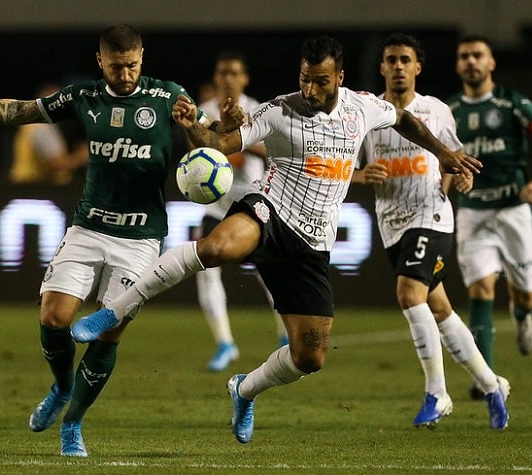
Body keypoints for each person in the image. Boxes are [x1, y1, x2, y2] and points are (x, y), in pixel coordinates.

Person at [71, 35, 482, 444]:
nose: (310, 89)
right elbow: (220, 143)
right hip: (269, 212)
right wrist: (196, 126)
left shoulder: (363, 107)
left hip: (313, 246)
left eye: (321, 81)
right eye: (305, 79)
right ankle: (116, 310)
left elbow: (402, 118)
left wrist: (444, 153)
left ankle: (245, 389)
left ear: (339, 77)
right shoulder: (280, 110)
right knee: (215, 248)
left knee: (310, 357)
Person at [0, 24, 240, 457]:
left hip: (141, 237)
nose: (124, 75)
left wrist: (196, 128)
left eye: (131, 66)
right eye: (115, 66)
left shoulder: (168, 96)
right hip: (89, 226)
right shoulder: (84, 97)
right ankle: (61, 386)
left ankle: (72, 423)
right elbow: (17, 112)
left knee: (108, 334)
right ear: (100, 61)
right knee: (54, 317)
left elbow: (213, 142)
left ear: (142, 57)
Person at [353, 33, 509, 429]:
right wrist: (360, 176)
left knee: (409, 294)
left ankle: (437, 393)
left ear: (417, 68)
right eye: (392, 59)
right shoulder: (368, 113)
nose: (399, 66)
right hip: (391, 223)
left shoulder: (436, 110)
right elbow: (343, 166)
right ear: (383, 67)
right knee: (439, 309)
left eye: (406, 59)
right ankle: (492, 385)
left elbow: (453, 159)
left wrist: (461, 178)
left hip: (431, 214)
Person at [447, 35, 532, 398]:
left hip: (513, 209)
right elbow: (448, 161)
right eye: (465, 56)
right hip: (473, 212)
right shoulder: (450, 111)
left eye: (478, 55)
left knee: (523, 293)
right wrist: (445, 189)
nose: (471, 61)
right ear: (457, 65)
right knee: (480, 289)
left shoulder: (513, 103)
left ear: (491, 63)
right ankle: (485, 380)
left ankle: (523, 316)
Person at [195, 50, 288, 372]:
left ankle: (285, 336)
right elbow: (198, 153)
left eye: (235, 73)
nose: (228, 78)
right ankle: (224, 343)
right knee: (204, 268)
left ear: (245, 78)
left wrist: (236, 142)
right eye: (223, 73)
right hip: (216, 203)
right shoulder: (203, 111)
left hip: (251, 198)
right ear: (216, 78)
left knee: (269, 271)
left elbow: (275, 150)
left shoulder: (259, 110)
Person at [9, 83, 89, 185]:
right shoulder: (43, 128)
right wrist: (82, 155)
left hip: (26, 187)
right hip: (34, 189)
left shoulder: (30, 125)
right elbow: (56, 164)